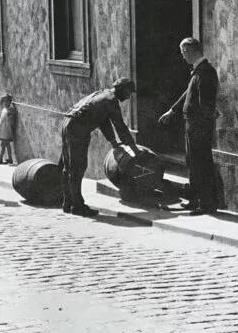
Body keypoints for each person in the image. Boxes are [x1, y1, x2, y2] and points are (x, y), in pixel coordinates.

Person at [60, 78, 140, 217]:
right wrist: (133, 147)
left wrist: (114, 142)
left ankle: (68, 202)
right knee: (77, 168)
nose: (128, 97)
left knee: (69, 168)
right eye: (128, 93)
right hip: (77, 129)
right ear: (123, 89)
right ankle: (78, 206)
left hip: (68, 123)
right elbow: (120, 126)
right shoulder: (111, 101)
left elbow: (103, 121)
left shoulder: (104, 93)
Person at [159, 37, 219, 215]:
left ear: (190, 52)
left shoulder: (206, 72)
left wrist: (205, 121)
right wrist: (173, 110)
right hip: (192, 125)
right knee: (192, 163)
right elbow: (188, 93)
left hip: (199, 127)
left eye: (183, 53)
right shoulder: (198, 71)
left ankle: (206, 204)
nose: (182, 57)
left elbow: (206, 104)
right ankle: (194, 199)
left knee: (201, 164)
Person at [0, 93, 17, 165]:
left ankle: (0, 158)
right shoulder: (4, 109)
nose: (4, 103)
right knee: (6, 144)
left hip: (7, 130)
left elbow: (11, 119)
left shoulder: (10, 110)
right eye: (3, 101)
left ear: (9, 102)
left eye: (6, 101)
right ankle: (10, 158)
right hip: (3, 130)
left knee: (3, 144)